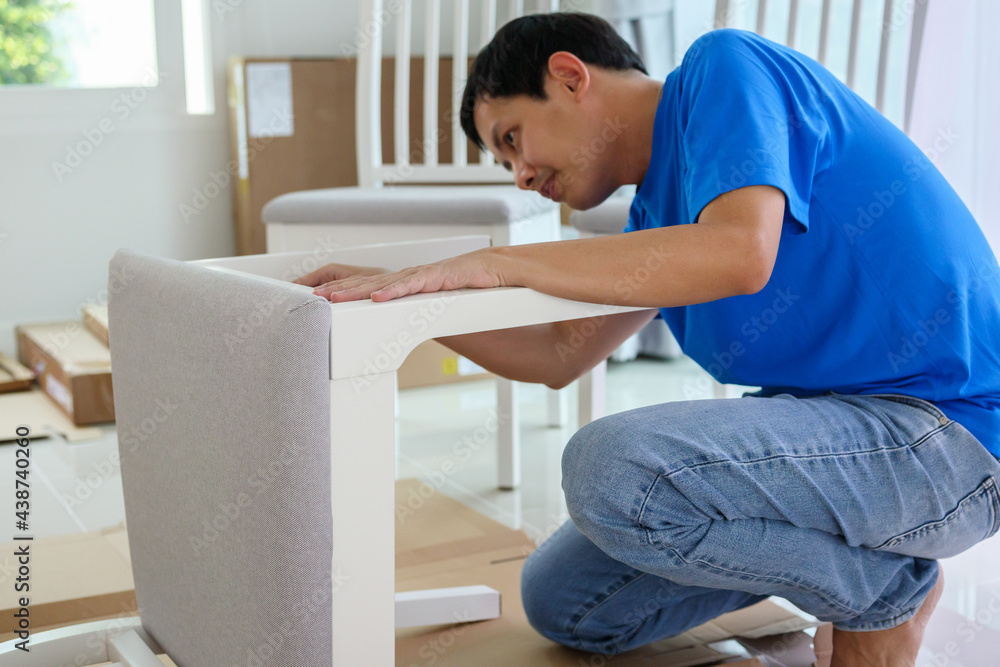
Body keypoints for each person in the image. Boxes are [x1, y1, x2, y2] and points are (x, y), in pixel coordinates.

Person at [293, 13, 1000, 667]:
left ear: (569, 76)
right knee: (561, 597)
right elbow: (559, 352)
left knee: (610, 468)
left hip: (949, 440)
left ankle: (880, 593)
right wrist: (411, 302)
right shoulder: (656, 218)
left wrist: (496, 261)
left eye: (512, 139)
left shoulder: (724, 68)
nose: (521, 175)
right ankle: (873, 574)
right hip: (857, 447)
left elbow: (739, 254)